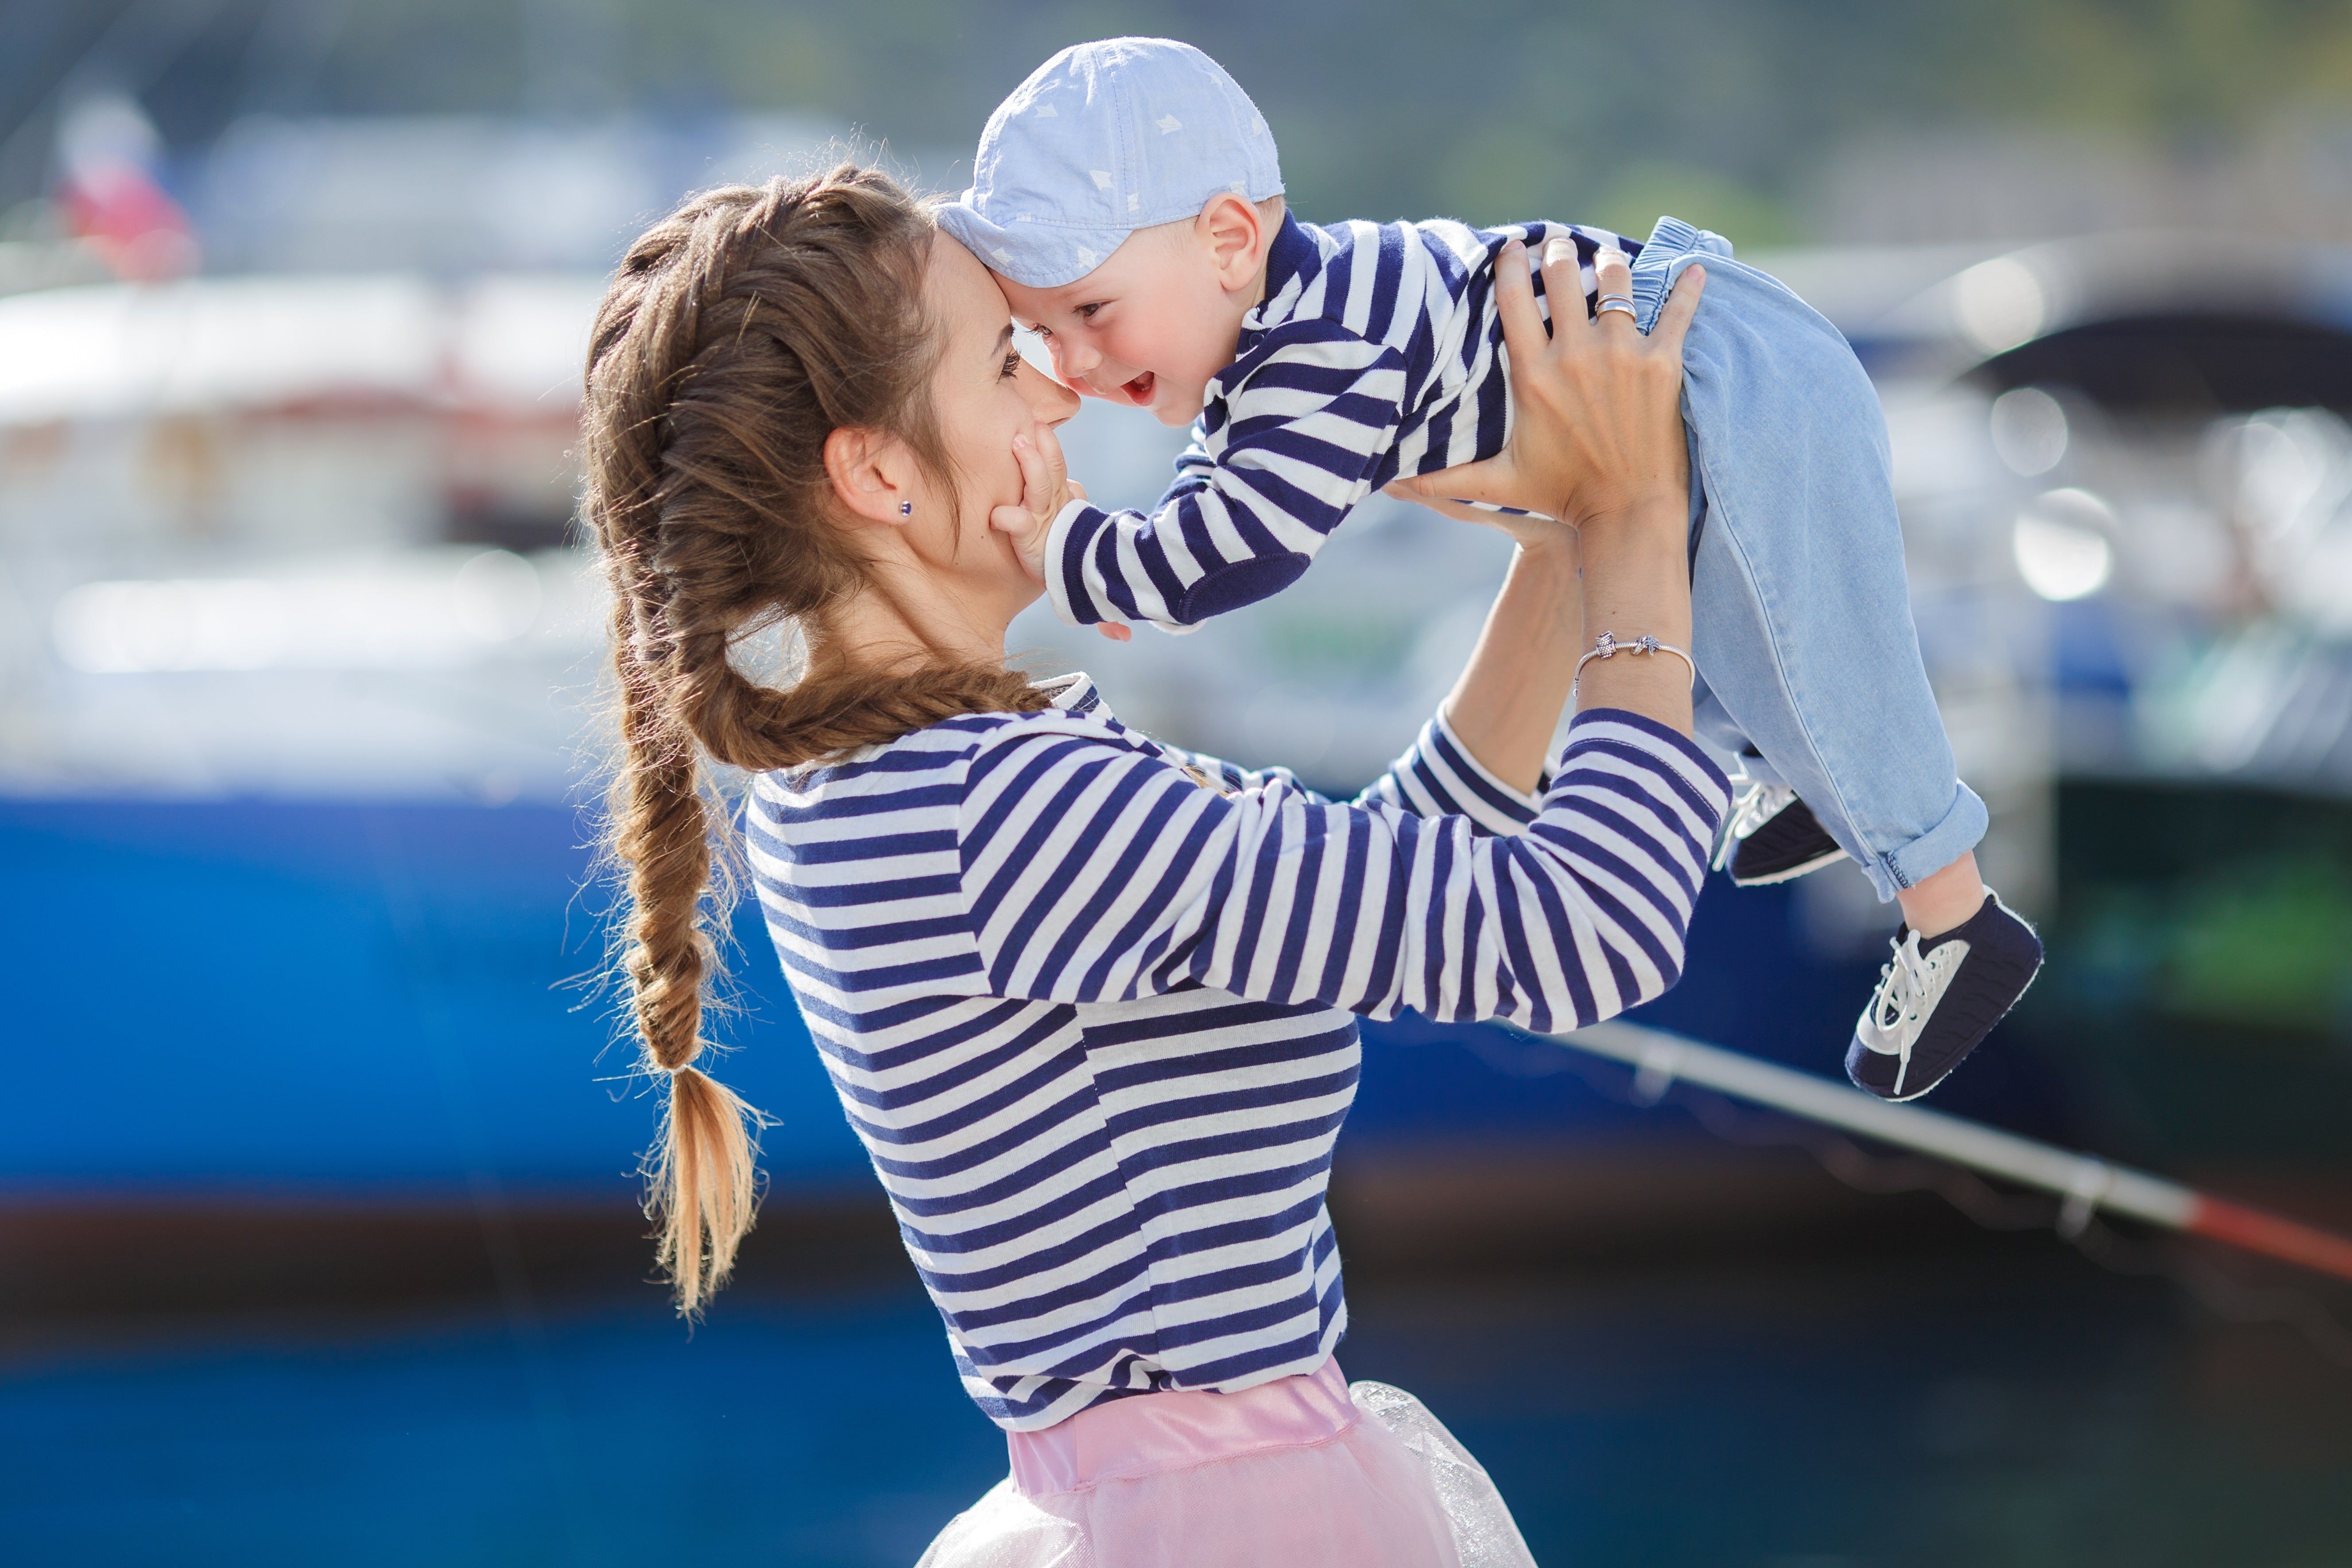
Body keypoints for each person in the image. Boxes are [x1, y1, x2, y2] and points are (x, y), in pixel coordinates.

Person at [581, 161, 1716, 1566]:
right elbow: (1588, 929)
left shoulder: (863, 785)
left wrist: (1561, 553)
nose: (1061, 390)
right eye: (1007, 359)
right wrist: (1639, 518)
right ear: (876, 471)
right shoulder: (1005, 804)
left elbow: (1377, 880)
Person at [937, 37, 2044, 1104]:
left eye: (1088, 314)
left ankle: (1955, 917)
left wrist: (1070, 550)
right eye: (1038, 336)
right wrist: (1130, 570)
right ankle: (1806, 778)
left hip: (1711, 362)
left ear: (1230, 241)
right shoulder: (1276, 342)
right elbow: (1207, 537)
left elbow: (1232, 549)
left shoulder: (1313, 354)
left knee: (1817, 637)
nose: (1072, 370)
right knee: (1746, 618)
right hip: (1682, 352)